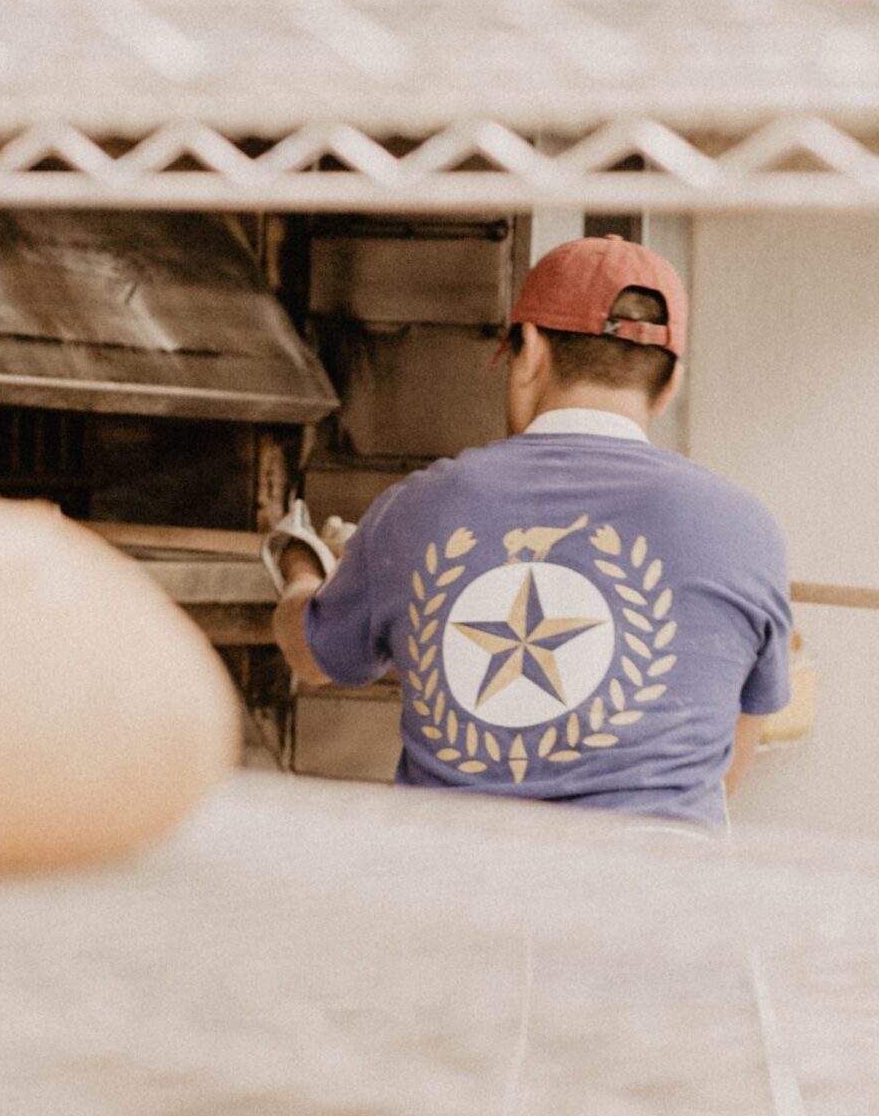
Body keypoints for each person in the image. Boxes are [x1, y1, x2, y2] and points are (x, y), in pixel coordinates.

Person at [269, 235, 793, 830]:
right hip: (660, 884)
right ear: (670, 382)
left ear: (532, 349)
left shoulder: (416, 508)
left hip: (452, 881)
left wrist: (300, 564)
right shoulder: (747, 530)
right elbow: (723, 772)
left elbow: (310, 656)